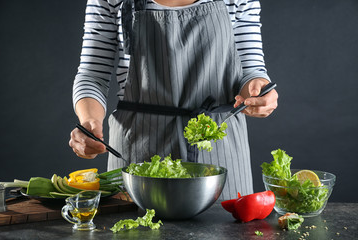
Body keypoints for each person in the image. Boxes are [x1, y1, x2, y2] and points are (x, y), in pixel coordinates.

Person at [69, 0, 278, 200]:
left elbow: (250, 69)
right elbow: (92, 75)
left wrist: (258, 90)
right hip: (139, 149)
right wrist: (90, 121)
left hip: (219, 147)